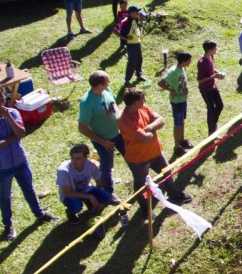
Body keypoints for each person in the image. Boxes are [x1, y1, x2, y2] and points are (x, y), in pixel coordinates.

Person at [118, 89, 192, 217]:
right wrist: (152, 129)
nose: (145, 101)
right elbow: (145, 138)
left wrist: (149, 128)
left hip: (156, 152)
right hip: (138, 159)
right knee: (141, 184)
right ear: (135, 103)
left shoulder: (143, 107)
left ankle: (174, 194)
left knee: (167, 172)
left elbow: (161, 120)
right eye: (142, 100)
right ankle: (145, 208)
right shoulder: (124, 121)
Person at [1, 104, 59, 240]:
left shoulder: (13, 113)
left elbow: (21, 133)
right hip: (2, 167)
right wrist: (13, 137)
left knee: (29, 189)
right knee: (4, 197)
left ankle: (39, 214)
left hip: (21, 161)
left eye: (2, 99)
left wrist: (8, 117)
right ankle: (8, 225)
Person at [78, 70, 126, 204]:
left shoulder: (107, 91)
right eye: (107, 81)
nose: (109, 83)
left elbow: (114, 108)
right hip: (103, 140)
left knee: (131, 156)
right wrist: (102, 141)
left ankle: (142, 180)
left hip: (118, 134)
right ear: (100, 84)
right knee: (106, 167)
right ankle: (109, 193)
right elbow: (82, 128)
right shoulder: (87, 102)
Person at [56, 144, 115, 225]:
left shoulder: (90, 165)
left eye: (78, 158)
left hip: (86, 189)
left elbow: (99, 182)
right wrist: (90, 197)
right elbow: (67, 193)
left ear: (85, 158)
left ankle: (89, 203)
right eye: (72, 158)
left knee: (107, 198)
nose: (74, 161)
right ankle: (70, 212)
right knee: (76, 207)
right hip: (70, 195)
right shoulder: (63, 170)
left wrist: (98, 199)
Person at [158, 51, 193, 154]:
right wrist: (171, 90)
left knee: (182, 121)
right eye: (189, 60)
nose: (190, 62)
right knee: (177, 124)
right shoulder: (174, 71)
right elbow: (160, 83)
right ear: (183, 61)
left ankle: (182, 140)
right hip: (177, 102)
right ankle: (177, 147)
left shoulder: (182, 68)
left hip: (183, 99)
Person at [113, 5, 145, 86]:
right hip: (131, 45)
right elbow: (114, 30)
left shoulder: (135, 19)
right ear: (131, 13)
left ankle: (139, 75)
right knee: (131, 62)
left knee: (139, 59)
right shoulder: (125, 20)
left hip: (137, 43)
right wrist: (124, 38)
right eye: (136, 12)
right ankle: (127, 80)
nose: (138, 13)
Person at [198, 41, 225, 135]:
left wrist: (218, 72)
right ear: (210, 50)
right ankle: (211, 130)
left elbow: (212, 69)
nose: (216, 49)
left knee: (220, 105)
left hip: (213, 87)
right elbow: (200, 80)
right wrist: (214, 76)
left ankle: (213, 123)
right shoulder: (201, 62)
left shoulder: (211, 57)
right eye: (215, 48)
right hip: (205, 90)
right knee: (211, 109)